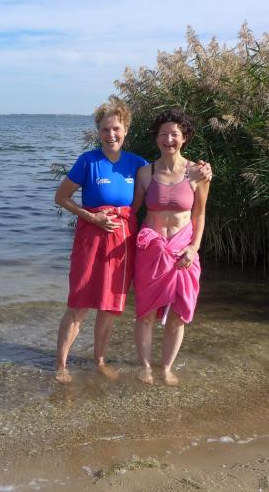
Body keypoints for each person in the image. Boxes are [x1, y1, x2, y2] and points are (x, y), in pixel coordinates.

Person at [54, 99, 210, 383]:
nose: (111, 134)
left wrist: (204, 171)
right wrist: (91, 217)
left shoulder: (137, 164)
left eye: (116, 129)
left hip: (122, 242)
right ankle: (61, 365)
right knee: (79, 303)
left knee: (111, 305)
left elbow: (160, 200)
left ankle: (100, 361)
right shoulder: (90, 162)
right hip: (92, 239)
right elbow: (61, 197)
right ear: (98, 131)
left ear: (126, 130)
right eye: (105, 129)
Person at [132, 109, 211, 386]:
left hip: (183, 251)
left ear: (184, 137)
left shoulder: (197, 172)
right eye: (163, 134)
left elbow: (200, 214)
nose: (168, 139)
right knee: (145, 313)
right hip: (151, 251)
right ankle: (145, 367)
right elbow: (133, 210)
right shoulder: (145, 172)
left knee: (179, 314)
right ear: (156, 138)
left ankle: (166, 368)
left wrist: (194, 248)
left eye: (174, 134)